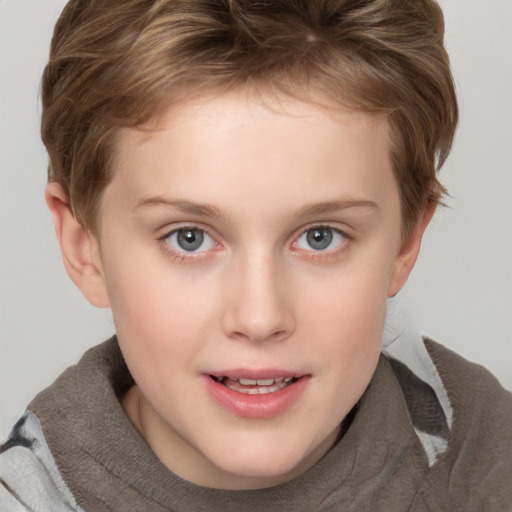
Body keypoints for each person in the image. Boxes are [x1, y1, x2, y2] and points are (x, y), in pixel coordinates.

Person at [1, 0, 511, 510]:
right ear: (83, 245)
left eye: (320, 237)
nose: (259, 317)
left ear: (405, 240)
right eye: (189, 238)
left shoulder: (487, 459)